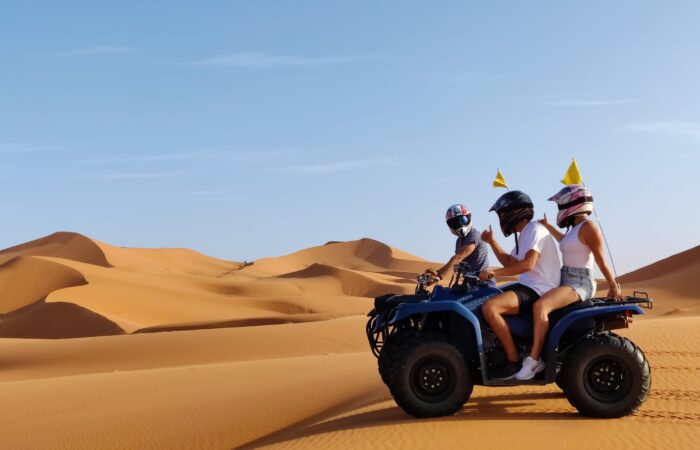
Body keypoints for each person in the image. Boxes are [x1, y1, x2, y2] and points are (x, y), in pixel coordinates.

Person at [513, 184, 623, 380]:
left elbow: (599, 259)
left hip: (580, 282)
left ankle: (533, 361)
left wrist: (613, 286)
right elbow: (565, 241)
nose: (559, 211)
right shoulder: (575, 229)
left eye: (561, 206)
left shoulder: (589, 227)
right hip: (565, 280)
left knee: (541, 306)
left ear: (573, 204)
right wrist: (548, 227)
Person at [477, 191, 562, 379]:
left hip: (540, 289)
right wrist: (491, 242)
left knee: (490, 308)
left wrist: (494, 272)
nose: (502, 218)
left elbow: (528, 264)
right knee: (487, 297)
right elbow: (510, 262)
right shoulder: (525, 233)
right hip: (530, 286)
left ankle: (513, 361)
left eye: (502, 213)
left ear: (513, 212)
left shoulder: (535, 230)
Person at [424, 204, 490, 284]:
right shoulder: (459, 241)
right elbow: (455, 266)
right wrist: (436, 273)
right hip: (469, 286)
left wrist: (439, 276)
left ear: (469, 217)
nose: (460, 225)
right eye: (455, 223)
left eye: (463, 220)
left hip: (484, 286)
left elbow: (458, 258)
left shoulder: (474, 235)